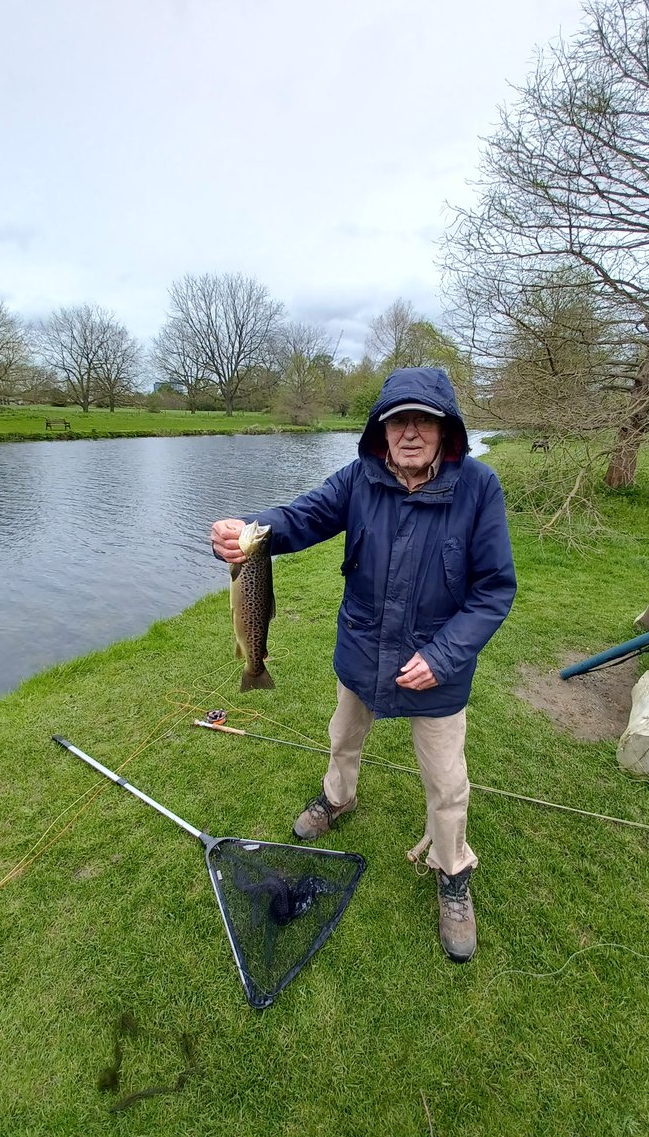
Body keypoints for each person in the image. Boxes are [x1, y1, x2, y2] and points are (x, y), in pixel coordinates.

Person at [211, 366, 516, 962]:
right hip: (362, 651)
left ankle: (451, 870)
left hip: (436, 667)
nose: (409, 432)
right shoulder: (360, 478)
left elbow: (494, 591)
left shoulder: (480, 487)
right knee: (341, 739)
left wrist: (445, 655)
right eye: (398, 420)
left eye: (422, 421)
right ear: (381, 431)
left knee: (448, 781)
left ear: (444, 429)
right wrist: (246, 529)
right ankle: (337, 798)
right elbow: (299, 518)